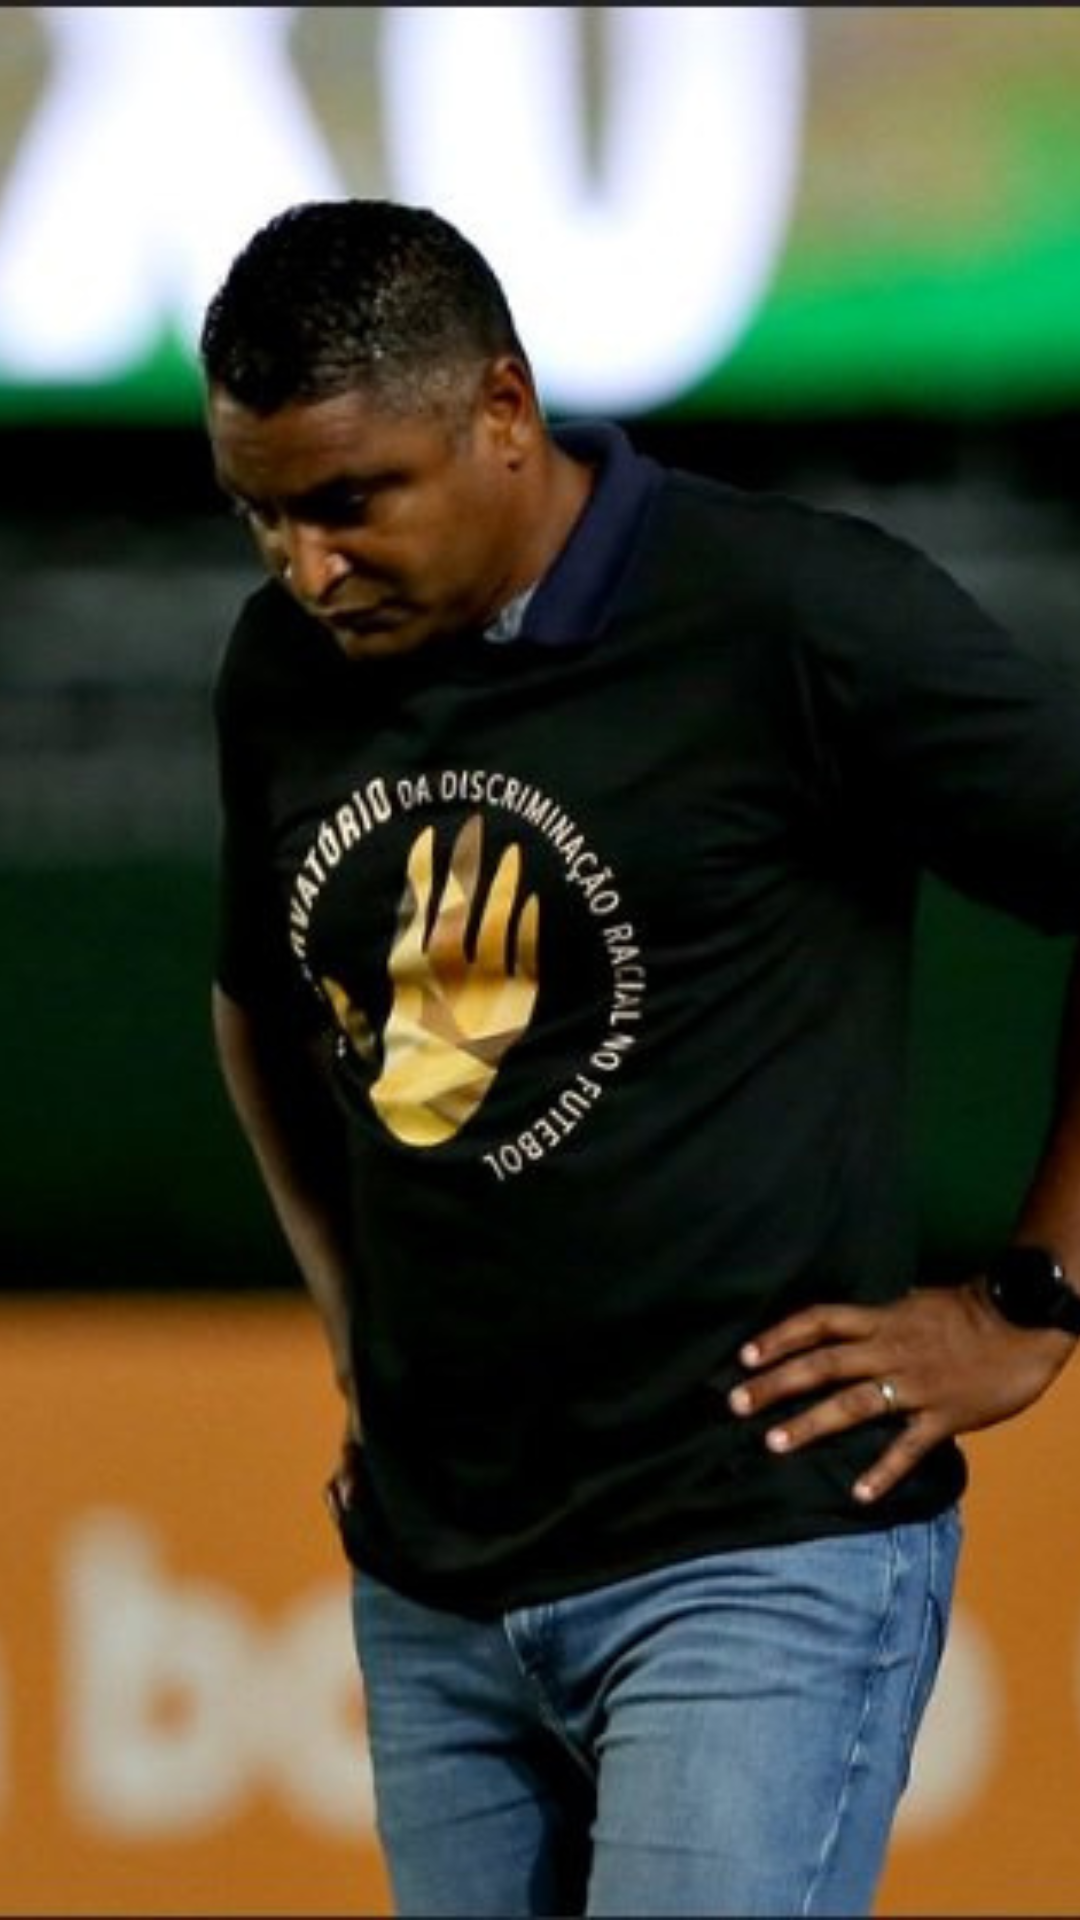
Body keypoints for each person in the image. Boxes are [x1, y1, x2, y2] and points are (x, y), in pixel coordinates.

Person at [198, 197, 1080, 1919]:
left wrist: (1038, 1296)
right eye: (260, 514)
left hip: (750, 1559)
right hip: (435, 1585)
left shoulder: (788, 617)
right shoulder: (285, 673)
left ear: (504, 412)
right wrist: (353, 1326)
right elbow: (255, 1004)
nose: (305, 566)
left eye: (348, 501)